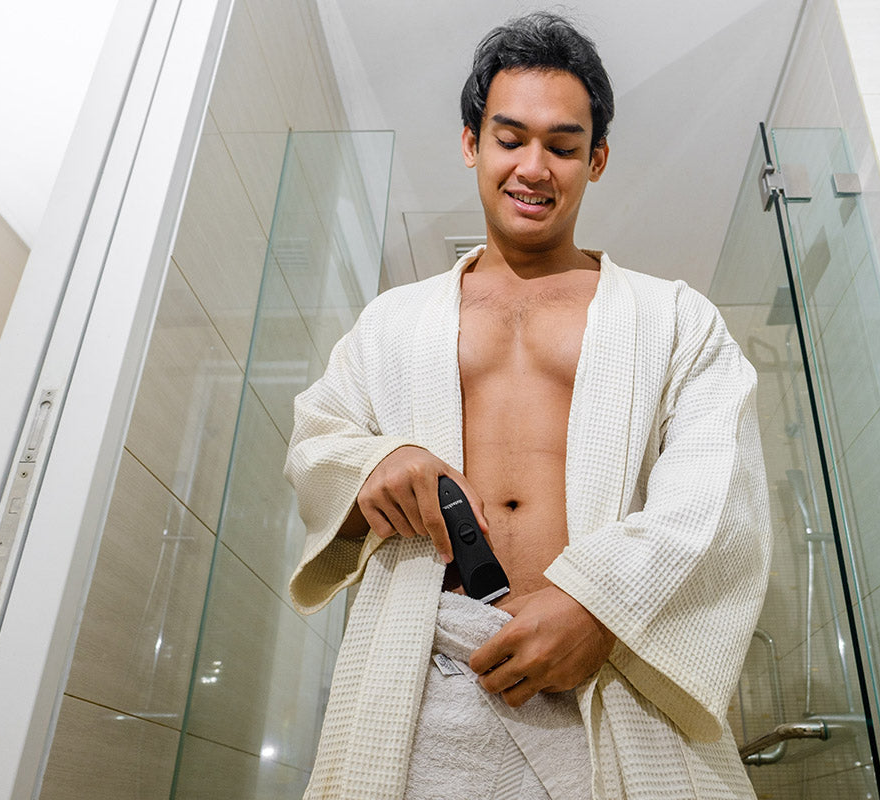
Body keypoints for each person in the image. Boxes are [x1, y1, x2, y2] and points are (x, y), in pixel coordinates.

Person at [284, 12, 770, 800]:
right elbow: (315, 442)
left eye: (563, 145)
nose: (533, 167)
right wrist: (377, 460)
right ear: (472, 143)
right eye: (510, 139)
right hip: (432, 666)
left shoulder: (676, 318)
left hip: (605, 668)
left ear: (597, 159)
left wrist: (602, 608)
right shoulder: (392, 322)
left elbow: (717, 497)